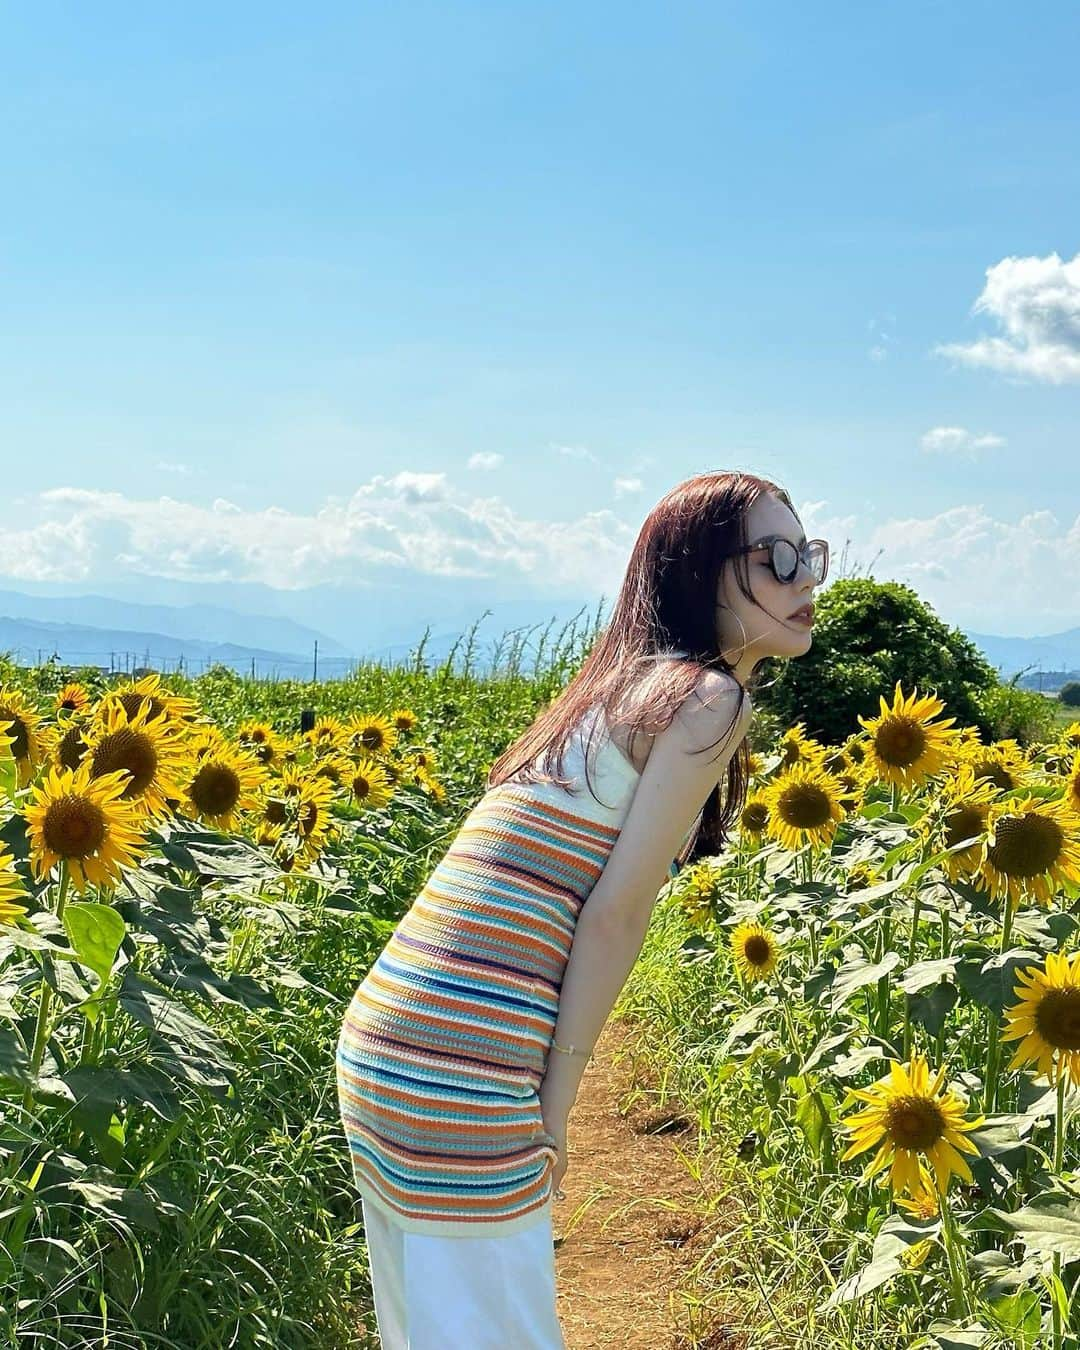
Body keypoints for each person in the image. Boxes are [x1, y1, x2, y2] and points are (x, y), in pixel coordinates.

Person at [335, 469, 829, 1347]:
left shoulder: (613, 689)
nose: (804, 582)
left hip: (387, 1038)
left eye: (810, 556)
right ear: (696, 568)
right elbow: (614, 914)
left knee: (426, 1330)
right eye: (776, 557)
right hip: (463, 1059)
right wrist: (555, 1106)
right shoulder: (708, 698)